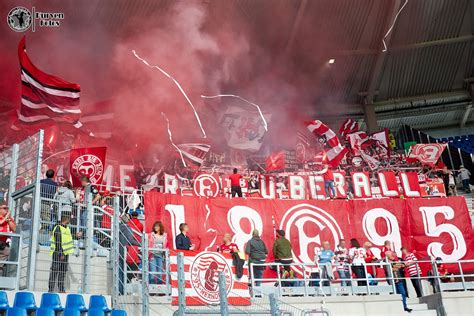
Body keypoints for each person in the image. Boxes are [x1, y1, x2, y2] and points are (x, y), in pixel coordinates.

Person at [48, 215, 77, 292]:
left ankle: (61, 288)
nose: (70, 220)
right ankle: (51, 289)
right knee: (55, 271)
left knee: (62, 271)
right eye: (69, 219)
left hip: (65, 253)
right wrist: (61, 253)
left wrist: (76, 236)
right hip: (58, 253)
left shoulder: (67, 228)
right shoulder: (58, 228)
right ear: (66, 219)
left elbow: (69, 238)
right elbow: (58, 241)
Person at [0, 204, 16, 276]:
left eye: (7, 208)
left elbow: (14, 229)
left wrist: (8, 220)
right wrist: (5, 218)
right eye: (4, 208)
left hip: (3, 244)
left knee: (8, 251)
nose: (6, 210)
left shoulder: (8, 218)